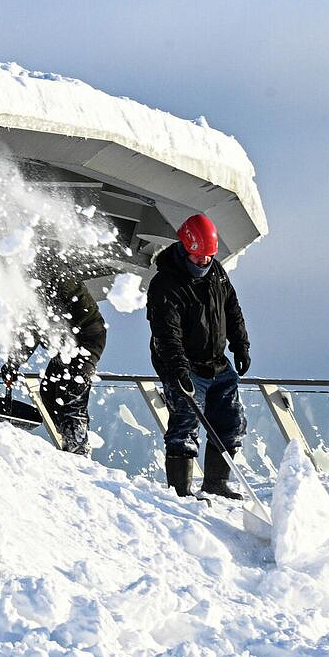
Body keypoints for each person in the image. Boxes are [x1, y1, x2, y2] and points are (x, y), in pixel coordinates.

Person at [146, 213, 251, 498]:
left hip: (217, 363)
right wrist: (179, 371)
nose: (204, 262)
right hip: (184, 365)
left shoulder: (216, 272)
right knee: (185, 425)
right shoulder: (165, 284)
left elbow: (232, 309)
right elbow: (167, 334)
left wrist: (240, 345)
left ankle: (217, 483)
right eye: (198, 256)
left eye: (208, 257)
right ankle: (181, 491)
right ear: (184, 248)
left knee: (231, 422)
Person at [0, 267, 108, 455]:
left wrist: (14, 361)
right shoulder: (35, 287)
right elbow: (32, 329)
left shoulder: (57, 276)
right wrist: (13, 362)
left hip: (87, 339)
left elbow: (37, 323)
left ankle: (78, 449)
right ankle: (68, 441)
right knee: (48, 391)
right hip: (64, 346)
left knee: (71, 395)